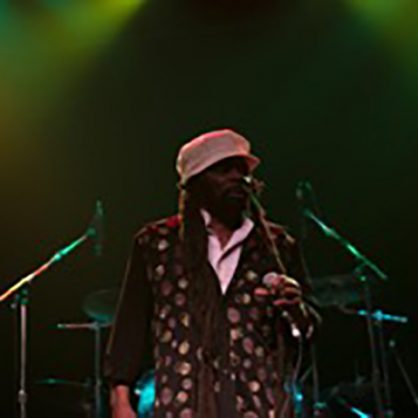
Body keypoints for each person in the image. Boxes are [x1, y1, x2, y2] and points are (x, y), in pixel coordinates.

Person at [105, 129, 320, 418]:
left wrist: (297, 312)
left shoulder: (277, 246)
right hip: (184, 401)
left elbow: (309, 331)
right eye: (223, 169)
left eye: (242, 170)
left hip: (258, 402)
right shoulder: (157, 244)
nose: (237, 177)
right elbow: (130, 325)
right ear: (195, 183)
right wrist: (120, 399)